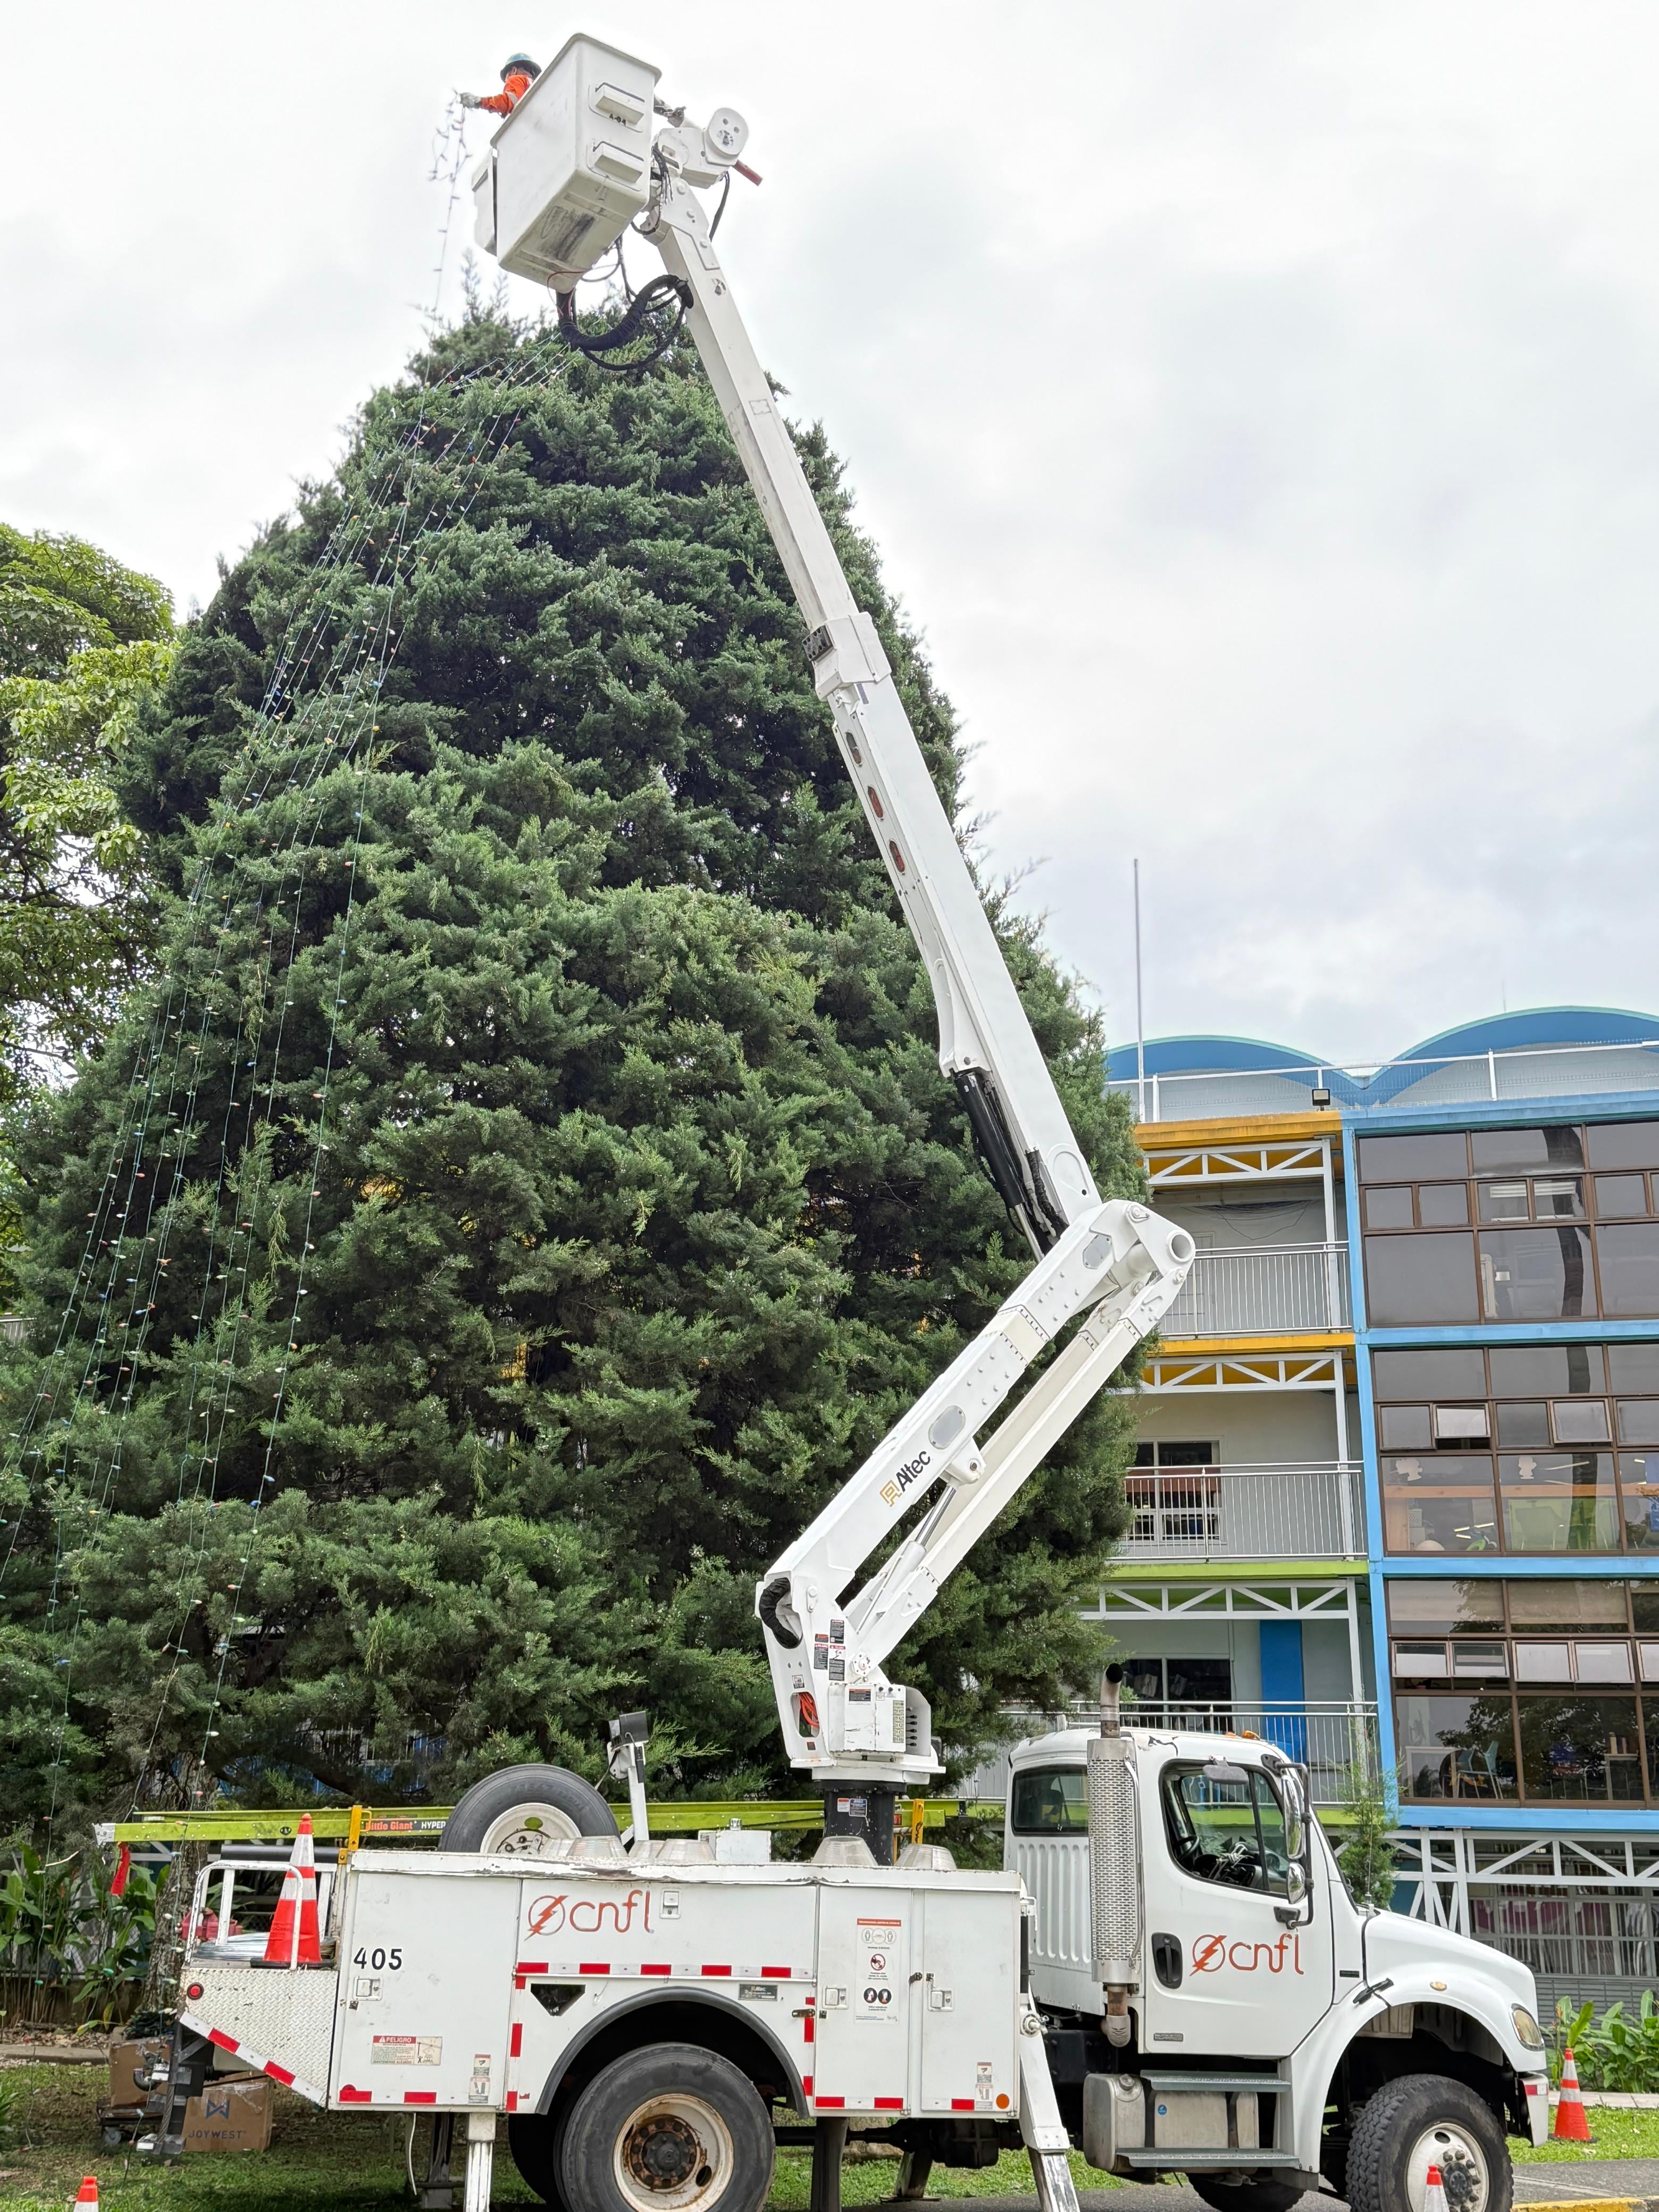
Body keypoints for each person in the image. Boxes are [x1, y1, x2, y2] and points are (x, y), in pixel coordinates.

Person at [461, 55, 541, 116]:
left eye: (506, 78)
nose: (507, 81)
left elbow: (508, 102)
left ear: (514, 70)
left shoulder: (516, 79)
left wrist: (479, 101)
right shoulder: (536, 86)